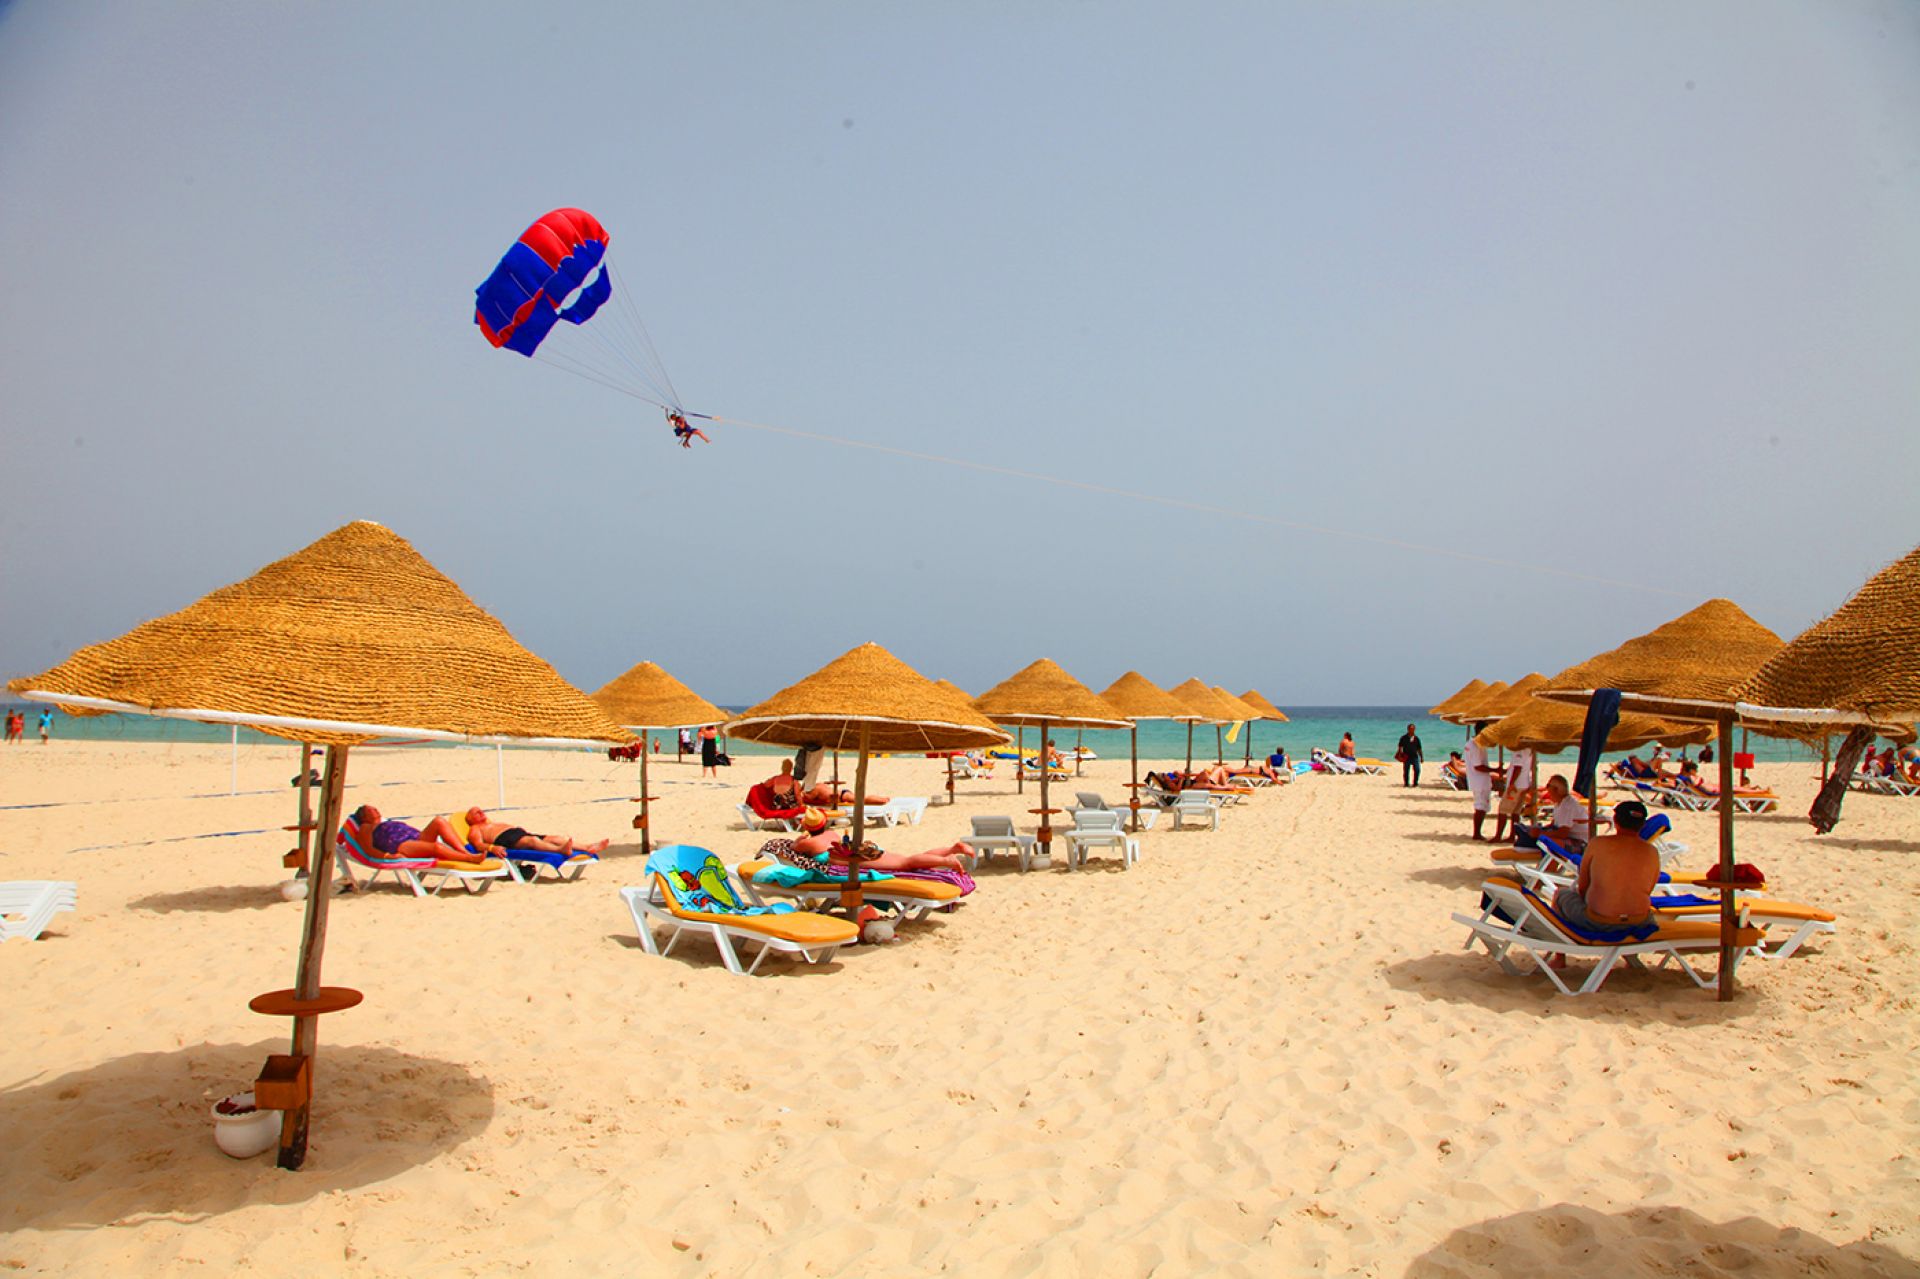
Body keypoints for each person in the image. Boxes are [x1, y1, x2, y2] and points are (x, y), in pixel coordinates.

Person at [1552, 800, 1660, 934]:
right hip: (1640, 921)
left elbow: (1583, 886)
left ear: (1615, 820)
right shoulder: (1652, 851)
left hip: (1598, 921)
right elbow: (1649, 888)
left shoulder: (1598, 843)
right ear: (1642, 824)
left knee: (1561, 894)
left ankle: (1561, 945)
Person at [352, 805, 487, 863]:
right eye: (370, 810)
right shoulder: (366, 827)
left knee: (439, 821)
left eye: (374, 808)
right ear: (364, 816)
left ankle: (464, 851)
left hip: (416, 837)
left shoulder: (385, 821)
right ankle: (468, 858)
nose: (374, 809)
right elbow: (368, 849)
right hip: (401, 845)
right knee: (436, 847)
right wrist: (389, 856)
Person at [465, 808, 608, 857]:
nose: (481, 812)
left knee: (554, 838)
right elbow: (478, 845)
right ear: (471, 819)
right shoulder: (475, 829)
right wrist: (492, 848)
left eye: (480, 810)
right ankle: (560, 850)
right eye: (476, 812)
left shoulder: (490, 822)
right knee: (533, 841)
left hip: (517, 833)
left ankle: (587, 847)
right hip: (504, 839)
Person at [1524, 775, 1593, 851]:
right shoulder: (1559, 804)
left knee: (1548, 842)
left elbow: (1562, 833)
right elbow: (1554, 826)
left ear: (1556, 790)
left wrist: (1540, 833)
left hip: (1581, 842)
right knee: (1543, 840)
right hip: (1571, 838)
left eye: (1548, 786)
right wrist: (1540, 830)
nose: (1547, 789)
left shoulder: (1568, 806)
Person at [1491, 746, 1535, 844]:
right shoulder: (1530, 750)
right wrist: (1530, 782)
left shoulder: (1520, 749)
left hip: (1516, 785)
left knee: (1503, 810)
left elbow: (1518, 768)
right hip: (1524, 784)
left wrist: (1511, 784)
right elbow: (1532, 768)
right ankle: (1512, 835)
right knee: (1516, 812)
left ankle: (1498, 836)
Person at [1463, 727, 1494, 840]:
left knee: (1482, 806)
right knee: (1480, 807)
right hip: (1479, 781)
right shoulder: (1475, 745)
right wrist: (1495, 770)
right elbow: (1478, 766)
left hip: (1477, 780)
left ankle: (1477, 832)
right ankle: (1477, 833)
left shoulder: (1471, 744)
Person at [1396, 723, 1424, 788]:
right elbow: (1400, 747)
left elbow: (1419, 749)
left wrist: (1422, 757)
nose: (1412, 730)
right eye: (1411, 729)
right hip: (1406, 757)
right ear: (1408, 729)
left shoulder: (1416, 738)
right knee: (1406, 771)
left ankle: (1415, 783)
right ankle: (1406, 783)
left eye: (1413, 729)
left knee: (1417, 770)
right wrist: (1400, 755)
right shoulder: (1403, 738)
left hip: (1415, 757)